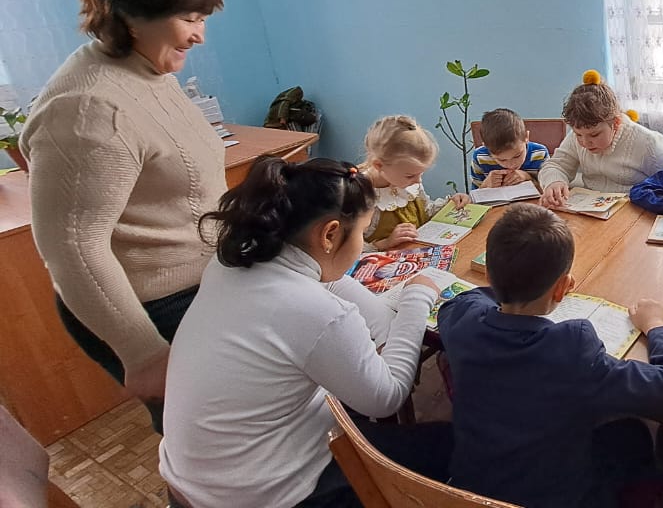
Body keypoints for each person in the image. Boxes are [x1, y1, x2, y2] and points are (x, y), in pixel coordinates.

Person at [19, 0, 227, 433]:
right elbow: (72, 248)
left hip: (200, 286)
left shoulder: (146, 70)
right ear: (131, 16)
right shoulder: (89, 109)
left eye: (203, 19)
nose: (199, 36)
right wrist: (144, 353)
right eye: (189, 19)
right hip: (154, 309)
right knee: (213, 440)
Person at [160, 157, 453, 508]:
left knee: (351, 397)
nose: (361, 242)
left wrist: (382, 316)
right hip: (264, 495)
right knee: (452, 444)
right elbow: (386, 396)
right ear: (329, 234)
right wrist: (416, 298)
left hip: (194, 479)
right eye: (361, 233)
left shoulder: (232, 262)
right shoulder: (318, 312)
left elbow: (321, 281)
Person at [437, 204, 663, 508]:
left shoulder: (462, 321)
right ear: (563, 288)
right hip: (557, 498)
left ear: (490, 273)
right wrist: (656, 326)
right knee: (633, 435)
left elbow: (464, 300)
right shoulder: (572, 348)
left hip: (471, 489)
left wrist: (518, 286)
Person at [539, 70, 663, 206]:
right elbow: (555, 165)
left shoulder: (648, 143)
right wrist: (554, 181)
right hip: (592, 209)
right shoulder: (580, 134)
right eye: (578, 134)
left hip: (636, 211)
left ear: (616, 123)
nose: (585, 142)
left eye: (594, 135)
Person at [361, 115, 469, 251]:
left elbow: (425, 212)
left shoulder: (408, 181)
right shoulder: (359, 194)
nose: (418, 181)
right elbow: (346, 250)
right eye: (410, 175)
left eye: (421, 174)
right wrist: (385, 243)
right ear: (379, 165)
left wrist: (450, 203)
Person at [468, 107, 549, 188]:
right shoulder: (480, 158)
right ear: (486, 147)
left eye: (517, 156)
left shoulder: (540, 154)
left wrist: (527, 177)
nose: (511, 165)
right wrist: (485, 185)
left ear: (526, 137)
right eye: (502, 160)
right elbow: (474, 193)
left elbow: (549, 188)